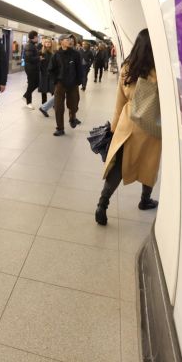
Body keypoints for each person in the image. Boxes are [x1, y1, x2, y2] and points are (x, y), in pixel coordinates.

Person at [95, 29, 161, 225]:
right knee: (150, 163)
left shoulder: (127, 68)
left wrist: (114, 129)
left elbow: (119, 101)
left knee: (119, 165)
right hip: (152, 125)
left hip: (128, 121)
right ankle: (145, 200)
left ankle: (102, 203)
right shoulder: (160, 70)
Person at [46, 34, 84, 135]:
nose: (69, 41)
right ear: (61, 41)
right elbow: (50, 70)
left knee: (74, 104)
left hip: (73, 84)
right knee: (58, 107)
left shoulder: (76, 54)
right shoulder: (56, 55)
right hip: (60, 84)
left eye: (70, 39)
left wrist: (79, 81)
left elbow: (79, 69)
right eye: (67, 39)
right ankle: (60, 128)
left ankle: (72, 117)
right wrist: (56, 81)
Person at [21, 31, 41, 108]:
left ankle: (26, 95)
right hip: (30, 68)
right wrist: (39, 58)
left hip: (33, 68)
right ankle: (28, 102)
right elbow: (29, 58)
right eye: (37, 37)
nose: (37, 38)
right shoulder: (29, 45)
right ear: (34, 37)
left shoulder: (32, 45)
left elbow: (32, 55)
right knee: (31, 84)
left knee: (36, 83)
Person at [36, 36, 55, 113]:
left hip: (51, 73)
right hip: (43, 73)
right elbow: (36, 63)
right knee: (44, 90)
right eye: (46, 42)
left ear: (51, 44)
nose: (47, 44)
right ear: (44, 43)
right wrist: (39, 60)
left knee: (53, 89)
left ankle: (54, 104)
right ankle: (44, 105)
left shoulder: (53, 53)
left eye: (49, 42)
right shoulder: (40, 52)